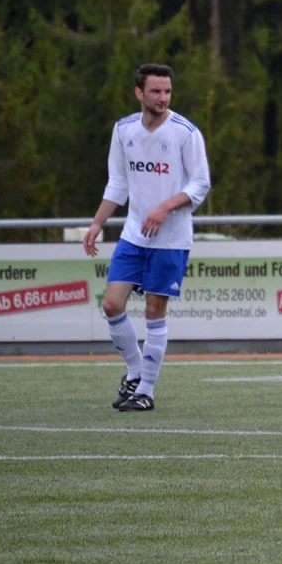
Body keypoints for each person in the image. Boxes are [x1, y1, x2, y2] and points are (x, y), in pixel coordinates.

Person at [83, 63, 212, 412]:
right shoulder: (123, 130)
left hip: (170, 239)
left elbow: (200, 184)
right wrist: (97, 224)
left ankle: (147, 391)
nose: (163, 97)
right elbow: (118, 183)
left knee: (155, 312)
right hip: (134, 235)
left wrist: (164, 207)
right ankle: (136, 371)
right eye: (155, 91)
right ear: (139, 92)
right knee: (111, 304)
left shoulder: (185, 132)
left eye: (167, 91)